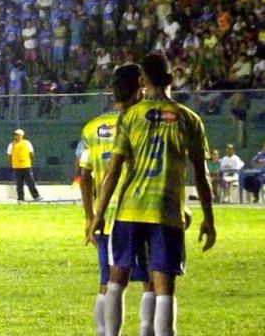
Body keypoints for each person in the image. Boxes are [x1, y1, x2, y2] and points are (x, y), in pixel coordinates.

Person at [90, 53, 216, 336]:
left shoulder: (131, 117)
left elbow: (113, 170)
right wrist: (209, 218)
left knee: (117, 278)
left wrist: (99, 214)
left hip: (129, 210)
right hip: (166, 212)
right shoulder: (189, 119)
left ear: (142, 81)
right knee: (164, 288)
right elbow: (201, 174)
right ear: (171, 79)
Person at [79, 64, 154, 336]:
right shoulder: (143, 122)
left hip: (106, 216)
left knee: (107, 280)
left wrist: (90, 215)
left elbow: (84, 174)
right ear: (138, 86)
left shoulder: (91, 128)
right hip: (142, 211)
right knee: (151, 281)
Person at [6, 129, 41, 203]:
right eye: (15, 135)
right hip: (17, 167)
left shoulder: (27, 143)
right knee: (19, 183)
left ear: (22, 136)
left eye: (18, 135)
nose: (16, 136)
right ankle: (21, 198)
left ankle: (36, 196)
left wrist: (29, 162)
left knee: (30, 182)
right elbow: (9, 155)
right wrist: (12, 164)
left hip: (26, 166)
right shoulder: (11, 144)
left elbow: (31, 153)